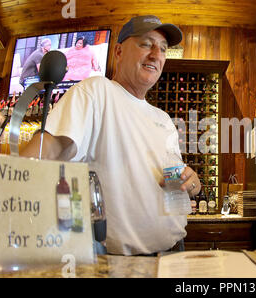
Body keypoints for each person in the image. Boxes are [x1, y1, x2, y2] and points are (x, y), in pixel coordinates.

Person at [20, 15, 201, 255]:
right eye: (146, 44)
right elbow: (46, 152)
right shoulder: (96, 91)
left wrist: (193, 184)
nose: (156, 55)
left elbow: (175, 180)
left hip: (174, 253)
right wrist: (8, 181)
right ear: (118, 52)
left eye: (163, 49)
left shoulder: (163, 119)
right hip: (120, 263)